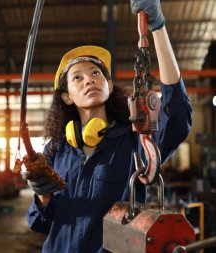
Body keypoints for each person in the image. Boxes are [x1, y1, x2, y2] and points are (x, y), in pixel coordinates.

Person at [22, 0, 193, 252]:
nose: (88, 80)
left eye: (95, 73)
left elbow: (177, 116)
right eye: (77, 78)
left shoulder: (135, 144)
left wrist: (158, 27)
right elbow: (41, 223)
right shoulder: (55, 151)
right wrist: (43, 196)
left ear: (109, 86)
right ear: (67, 96)